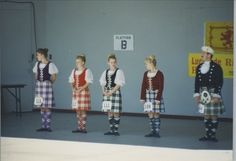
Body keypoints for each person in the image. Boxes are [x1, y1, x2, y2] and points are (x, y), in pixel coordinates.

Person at [193, 46, 224, 142]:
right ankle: (207, 135)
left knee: (213, 114)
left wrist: (216, 95)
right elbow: (197, 82)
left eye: (203, 53)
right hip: (203, 93)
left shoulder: (216, 67)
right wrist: (197, 94)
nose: (201, 54)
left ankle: (213, 135)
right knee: (206, 114)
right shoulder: (199, 67)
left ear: (209, 55)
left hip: (213, 93)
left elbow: (220, 82)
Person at [33, 48, 58, 132]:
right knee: (41, 107)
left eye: (38, 55)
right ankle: (43, 126)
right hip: (39, 86)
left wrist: (49, 83)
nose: (37, 57)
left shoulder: (50, 64)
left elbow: (54, 77)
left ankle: (48, 126)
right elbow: (36, 75)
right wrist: (38, 80)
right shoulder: (37, 64)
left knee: (47, 107)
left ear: (42, 55)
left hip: (47, 85)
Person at [99, 54, 125, 136]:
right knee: (109, 112)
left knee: (116, 112)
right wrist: (103, 91)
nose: (113, 64)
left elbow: (119, 84)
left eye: (114, 62)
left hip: (115, 92)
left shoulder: (119, 71)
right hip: (107, 92)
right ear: (108, 63)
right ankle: (111, 130)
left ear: (116, 62)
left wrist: (112, 92)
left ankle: (116, 130)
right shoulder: (105, 72)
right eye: (111, 62)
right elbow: (102, 82)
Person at [140, 55, 164, 137]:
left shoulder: (159, 74)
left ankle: (156, 132)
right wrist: (142, 98)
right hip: (148, 96)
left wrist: (158, 99)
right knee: (150, 113)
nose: (145, 65)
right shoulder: (145, 74)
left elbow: (161, 87)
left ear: (151, 64)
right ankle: (152, 131)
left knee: (156, 113)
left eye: (146, 64)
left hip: (156, 95)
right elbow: (143, 86)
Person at [69, 54, 93, 133]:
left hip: (83, 92)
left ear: (83, 62)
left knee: (83, 110)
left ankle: (83, 128)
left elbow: (88, 82)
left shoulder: (87, 71)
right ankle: (79, 127)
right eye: (76, 62)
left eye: (79, 62)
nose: (77, 63)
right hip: (76, 92)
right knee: (77, 110)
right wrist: (73, 88)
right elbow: (71, 81)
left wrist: (81, 89)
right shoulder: (74, 71)